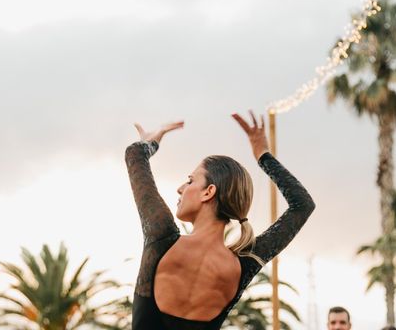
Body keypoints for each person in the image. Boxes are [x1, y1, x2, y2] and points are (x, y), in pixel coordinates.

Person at [124, 111, 316, 329]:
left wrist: (151, 141)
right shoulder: (244, 264)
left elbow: (134, 154)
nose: (180, 189)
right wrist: (263, 154)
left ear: (209, 192)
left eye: (190, 181)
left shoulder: (161, 235)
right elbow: (303, 205)